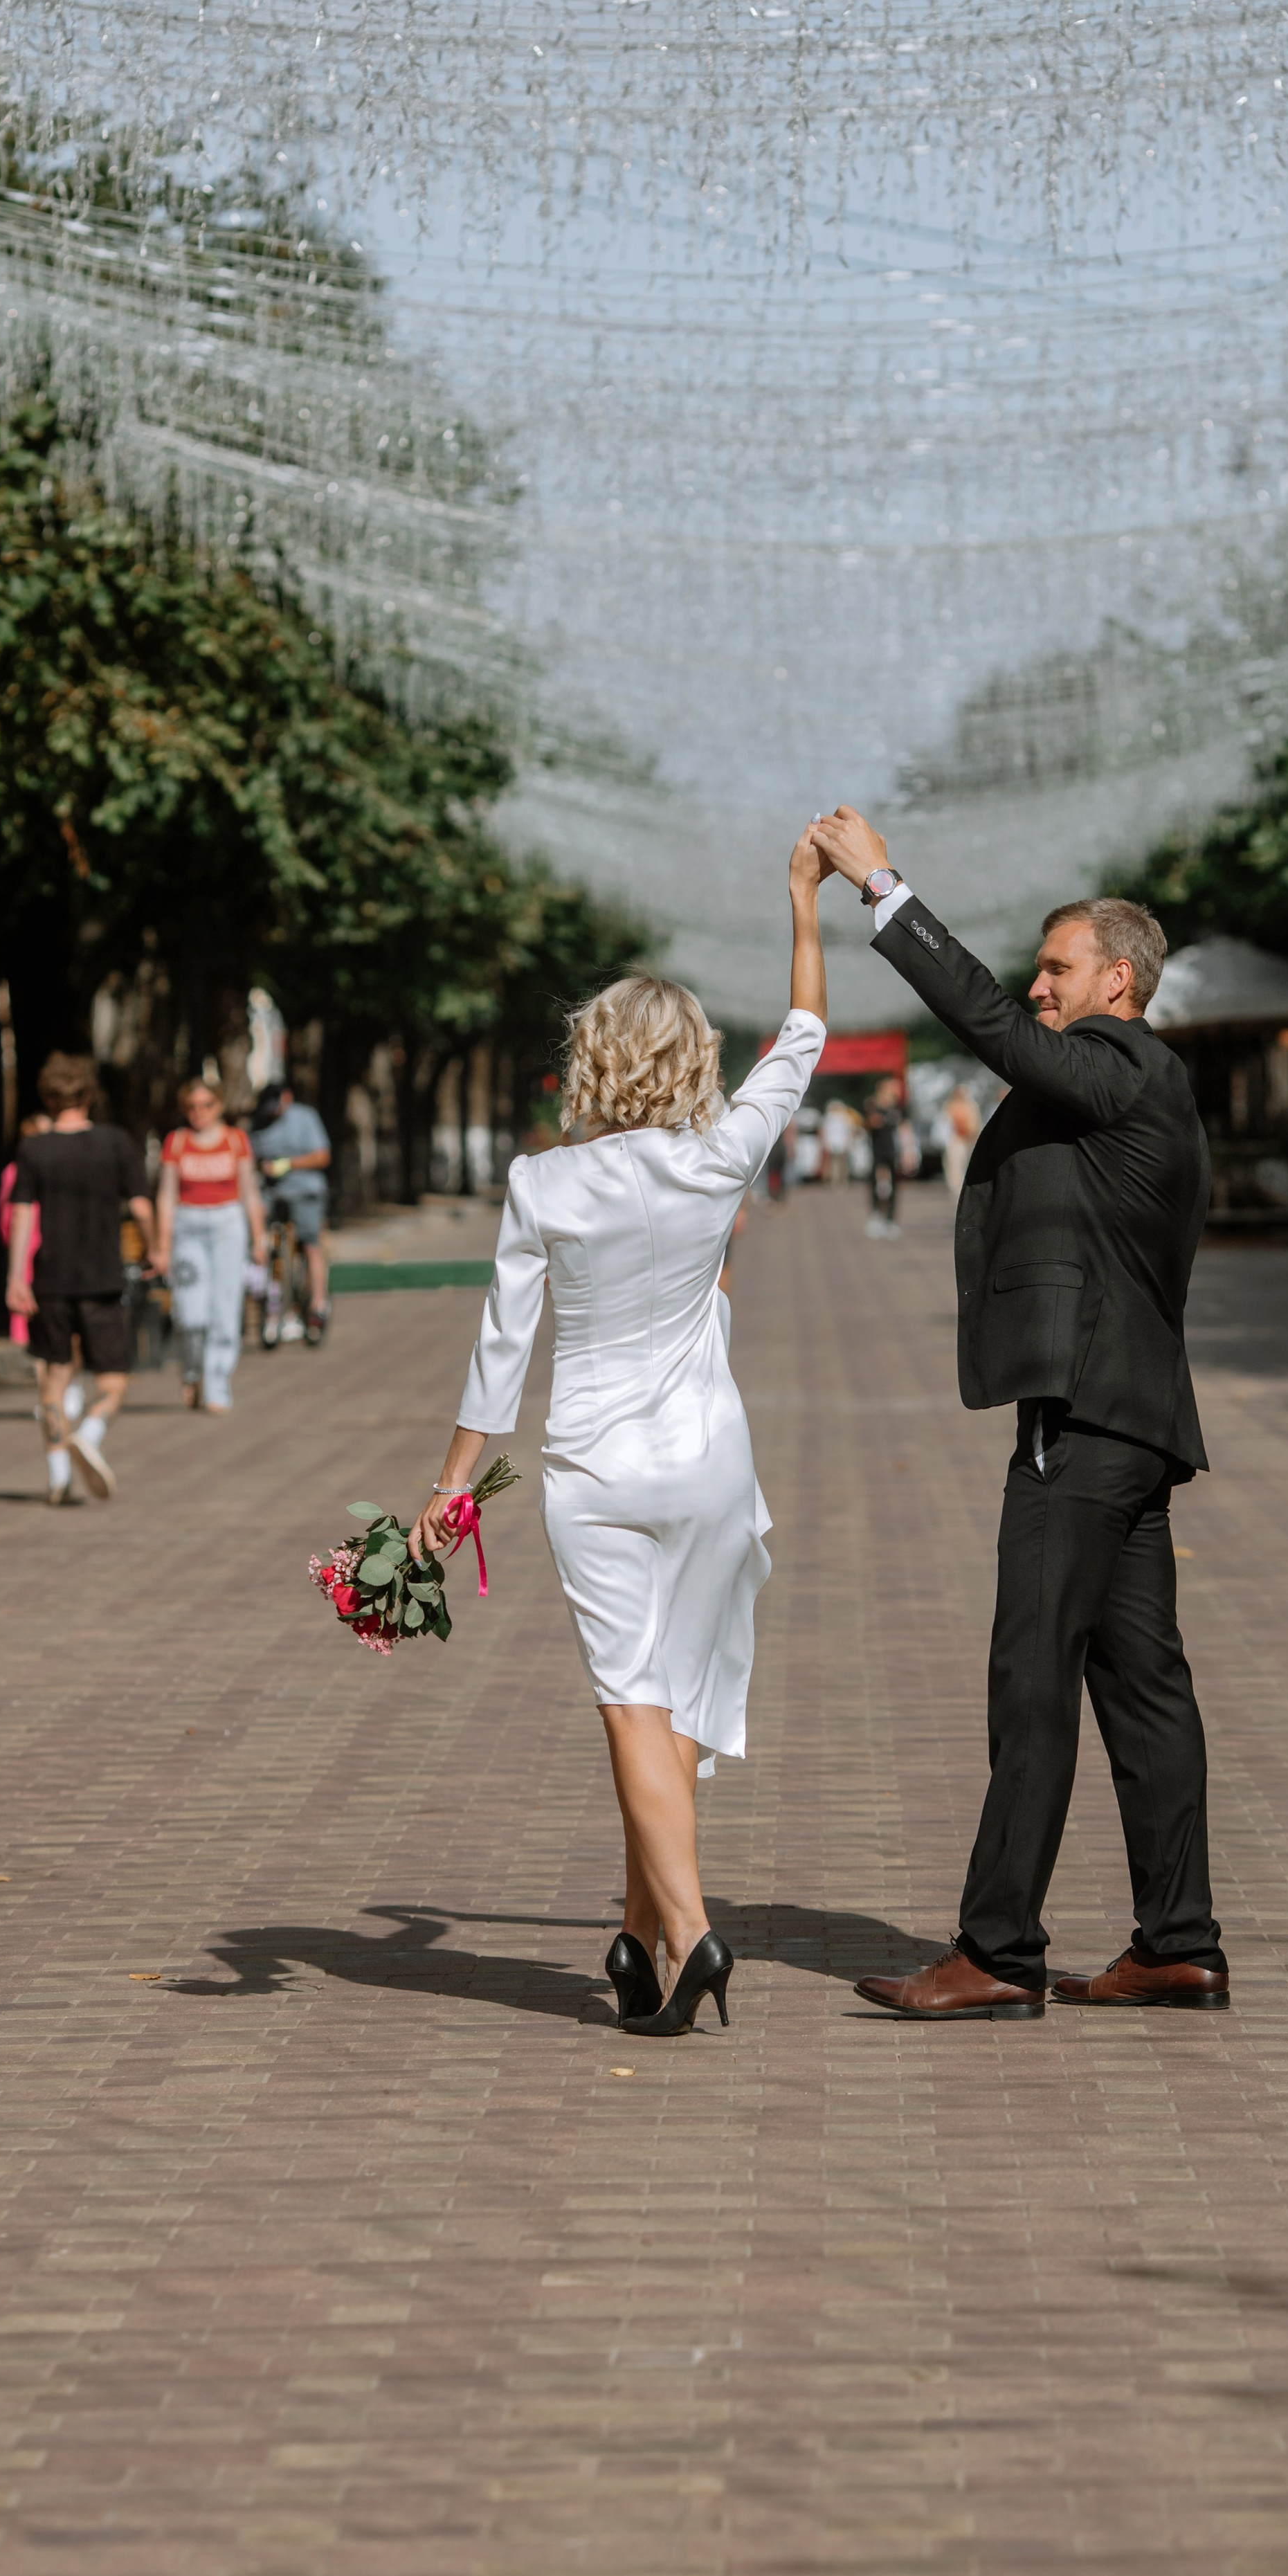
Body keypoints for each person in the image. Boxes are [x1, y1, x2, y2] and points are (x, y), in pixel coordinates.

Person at [409, 831, 833, 2040]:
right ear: (691, 1059)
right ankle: (642, 1937)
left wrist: (449, 1492)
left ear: (587, 1062)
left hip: (593, 1473)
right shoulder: (719, 1161)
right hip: (707, 1462)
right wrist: (802, 902)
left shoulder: (542, 1186)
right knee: (677, 1702)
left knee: (628, 1700)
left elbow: (500, 1354)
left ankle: (689, 1934)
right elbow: (803, 1032)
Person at [809, 807, 1227, 2023]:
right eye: (1039, 969)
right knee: (1142, 1683)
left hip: (1087, 1424)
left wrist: (884, 886)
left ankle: (997, 1951)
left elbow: (991, 1029)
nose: (1037, 989)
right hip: (1132, 1426)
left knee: (1029, 1676)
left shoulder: (1124, 1065)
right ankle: (1177, 1941)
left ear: (1118, 980)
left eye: (1056, 968)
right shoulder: (1125, 1087)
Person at [5, 1053, 155, 1505]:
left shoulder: (34, 1149)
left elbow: (23, 1215)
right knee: (113, 1380)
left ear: (48, 1098)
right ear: (89, 1095)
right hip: (102, 1278)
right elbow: (143, 1206)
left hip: (49, 1279)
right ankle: (89, 1432)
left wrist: (17, 1277)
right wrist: (157, 1248)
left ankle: (57, 1476)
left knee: (54, 1376)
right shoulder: (115, 1143)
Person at [155, 1078, 267, 1412]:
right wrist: (162, 1246)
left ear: (219, 1106)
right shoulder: (176, 1143)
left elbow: (250, 1193)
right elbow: (166, 1197)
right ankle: (192, 1372)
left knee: (224, 1308)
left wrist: (258, 1239)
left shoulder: (236, 1141)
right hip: (188, 1227)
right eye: (192, 1106)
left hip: (227, 1226)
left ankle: (218, 1383)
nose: (199, 1113)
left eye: (206, 1105)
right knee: (191, 1312)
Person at [0, 1115, 84, 1428]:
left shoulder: (68, 1167)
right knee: (38, 1330)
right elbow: (7, 1218)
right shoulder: (14, 1173)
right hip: (31, 1259)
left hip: (64, 1257)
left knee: (69, 1325)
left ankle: (67, 1387)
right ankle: (48, 1396)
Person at [251, 1081, 334, 1344]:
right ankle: (270, 1309)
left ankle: (318, 1305)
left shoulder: (305, 1117)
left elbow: (322, 1157)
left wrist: (287, 1165)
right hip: (272, 1194)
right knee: (263, 1244)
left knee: (310, 1245)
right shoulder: (259, 1122)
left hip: (305, 1190)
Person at [863, 1074, 906, 1239]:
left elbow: (903, 1127)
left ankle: (890, 1220)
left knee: (894, 1186)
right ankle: (875, 1216)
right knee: (877, 1184)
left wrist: (908, 1151)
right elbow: (869, 1123)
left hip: (893, 1150)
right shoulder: (873, 1104)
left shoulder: (897, 1107)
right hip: (877, 1150)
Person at [943, 1081, 981, 1196]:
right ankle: (957, 1189)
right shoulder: (950, 1106)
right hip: (956, 1140)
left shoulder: (971, 1106)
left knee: (966, 1164)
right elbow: (946, 1124)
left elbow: (976, 1124)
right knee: (954, 1166)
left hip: (968, 1140)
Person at [819, 1094, 858, 1183]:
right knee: (836, 1164)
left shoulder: (843, 1117)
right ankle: (836, 1180)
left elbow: (850, 1130)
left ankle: (840, 1180)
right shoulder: (832, 1118)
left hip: (840, 1143)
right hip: (834, 1143)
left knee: (841, 1163)